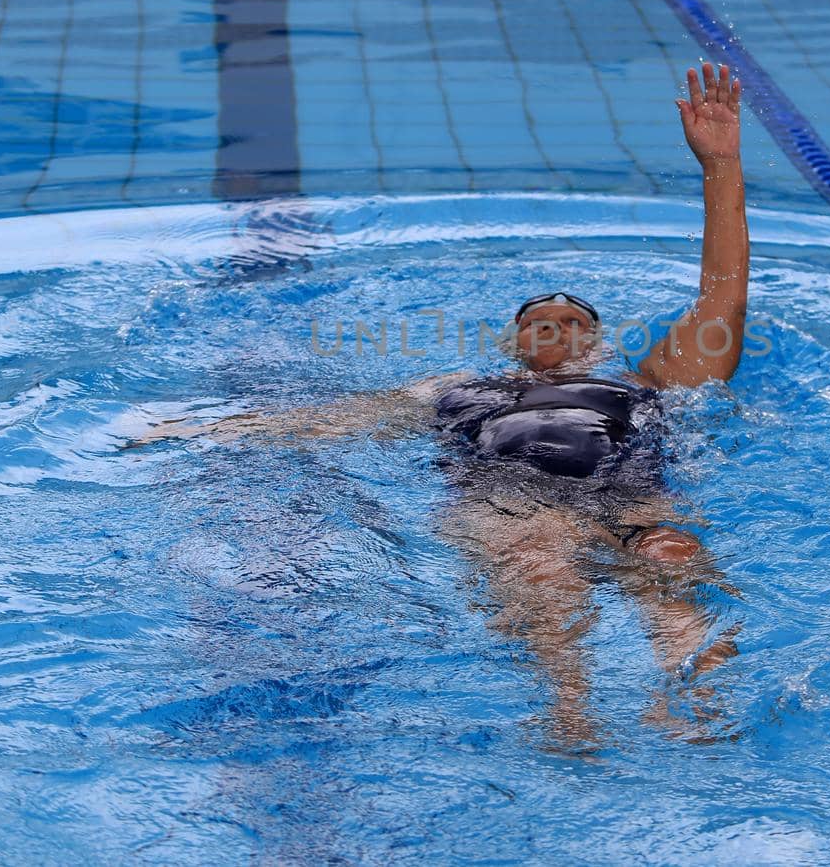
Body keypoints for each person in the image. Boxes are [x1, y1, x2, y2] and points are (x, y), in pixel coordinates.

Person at [140, 63, 751, 744]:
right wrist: (199, 429)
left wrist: (720, 166)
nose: (556, 321)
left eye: (574, 317)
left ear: (598, 341)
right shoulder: (456, 388)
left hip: (628, 498)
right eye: (538, 317)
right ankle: (571, 714)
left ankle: (697, 703)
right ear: (510, 340)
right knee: (544, 568)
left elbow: (721, 297)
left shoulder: (647, 380)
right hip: (509, 504)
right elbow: (336, 420)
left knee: (671, 556)